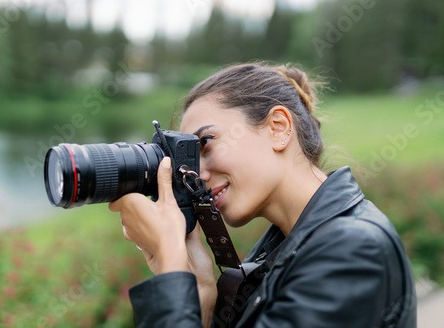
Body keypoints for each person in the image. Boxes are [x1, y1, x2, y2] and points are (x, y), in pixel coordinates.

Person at [109, 63, 417, 328]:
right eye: (188, 155)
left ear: (278, 127)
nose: (198, 175)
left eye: (206, 143)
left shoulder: (353, 250)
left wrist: (170, 258)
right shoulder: (286, 248)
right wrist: (200, 296)